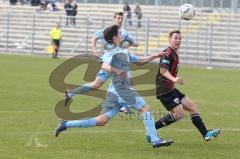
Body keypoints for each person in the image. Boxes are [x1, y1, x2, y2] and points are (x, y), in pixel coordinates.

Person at [55, 25, 173, 148]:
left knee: (101, 121)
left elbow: (140, 61)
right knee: (145, 108)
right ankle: (154, 139)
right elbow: (104, 65)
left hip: (114, 92)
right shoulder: (113, 52)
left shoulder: (124, 51)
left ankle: (66, 124)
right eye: (119, 33)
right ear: (114, 38)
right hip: (121, 90)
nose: (122, 34)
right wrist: (116, 71)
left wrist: (155, 56)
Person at [146, 30, 221, 143]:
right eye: (176, 38)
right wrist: (174, 79)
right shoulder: (168, 53)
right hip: (164, 89)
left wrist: (173, 81)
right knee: (179, 114)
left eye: (180, 38)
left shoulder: (174, 53)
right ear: (169, 39)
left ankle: (206, 134)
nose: (178, 40)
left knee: (193, 107)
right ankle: (151, 131)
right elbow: (163, 71)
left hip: (170, 88)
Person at [64, 12, 138, 113]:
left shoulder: (124, 33)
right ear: (114, 19)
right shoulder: (108, 31)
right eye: (118, 18)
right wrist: (96, 54)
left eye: (121, 18)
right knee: (96, 85)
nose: (120, 20)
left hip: (119, 63)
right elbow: (94, 39)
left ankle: (123, 105)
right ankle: (71, 93)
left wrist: (129, 45)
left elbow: (134, 43)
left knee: (126, 80)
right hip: (108, 62)